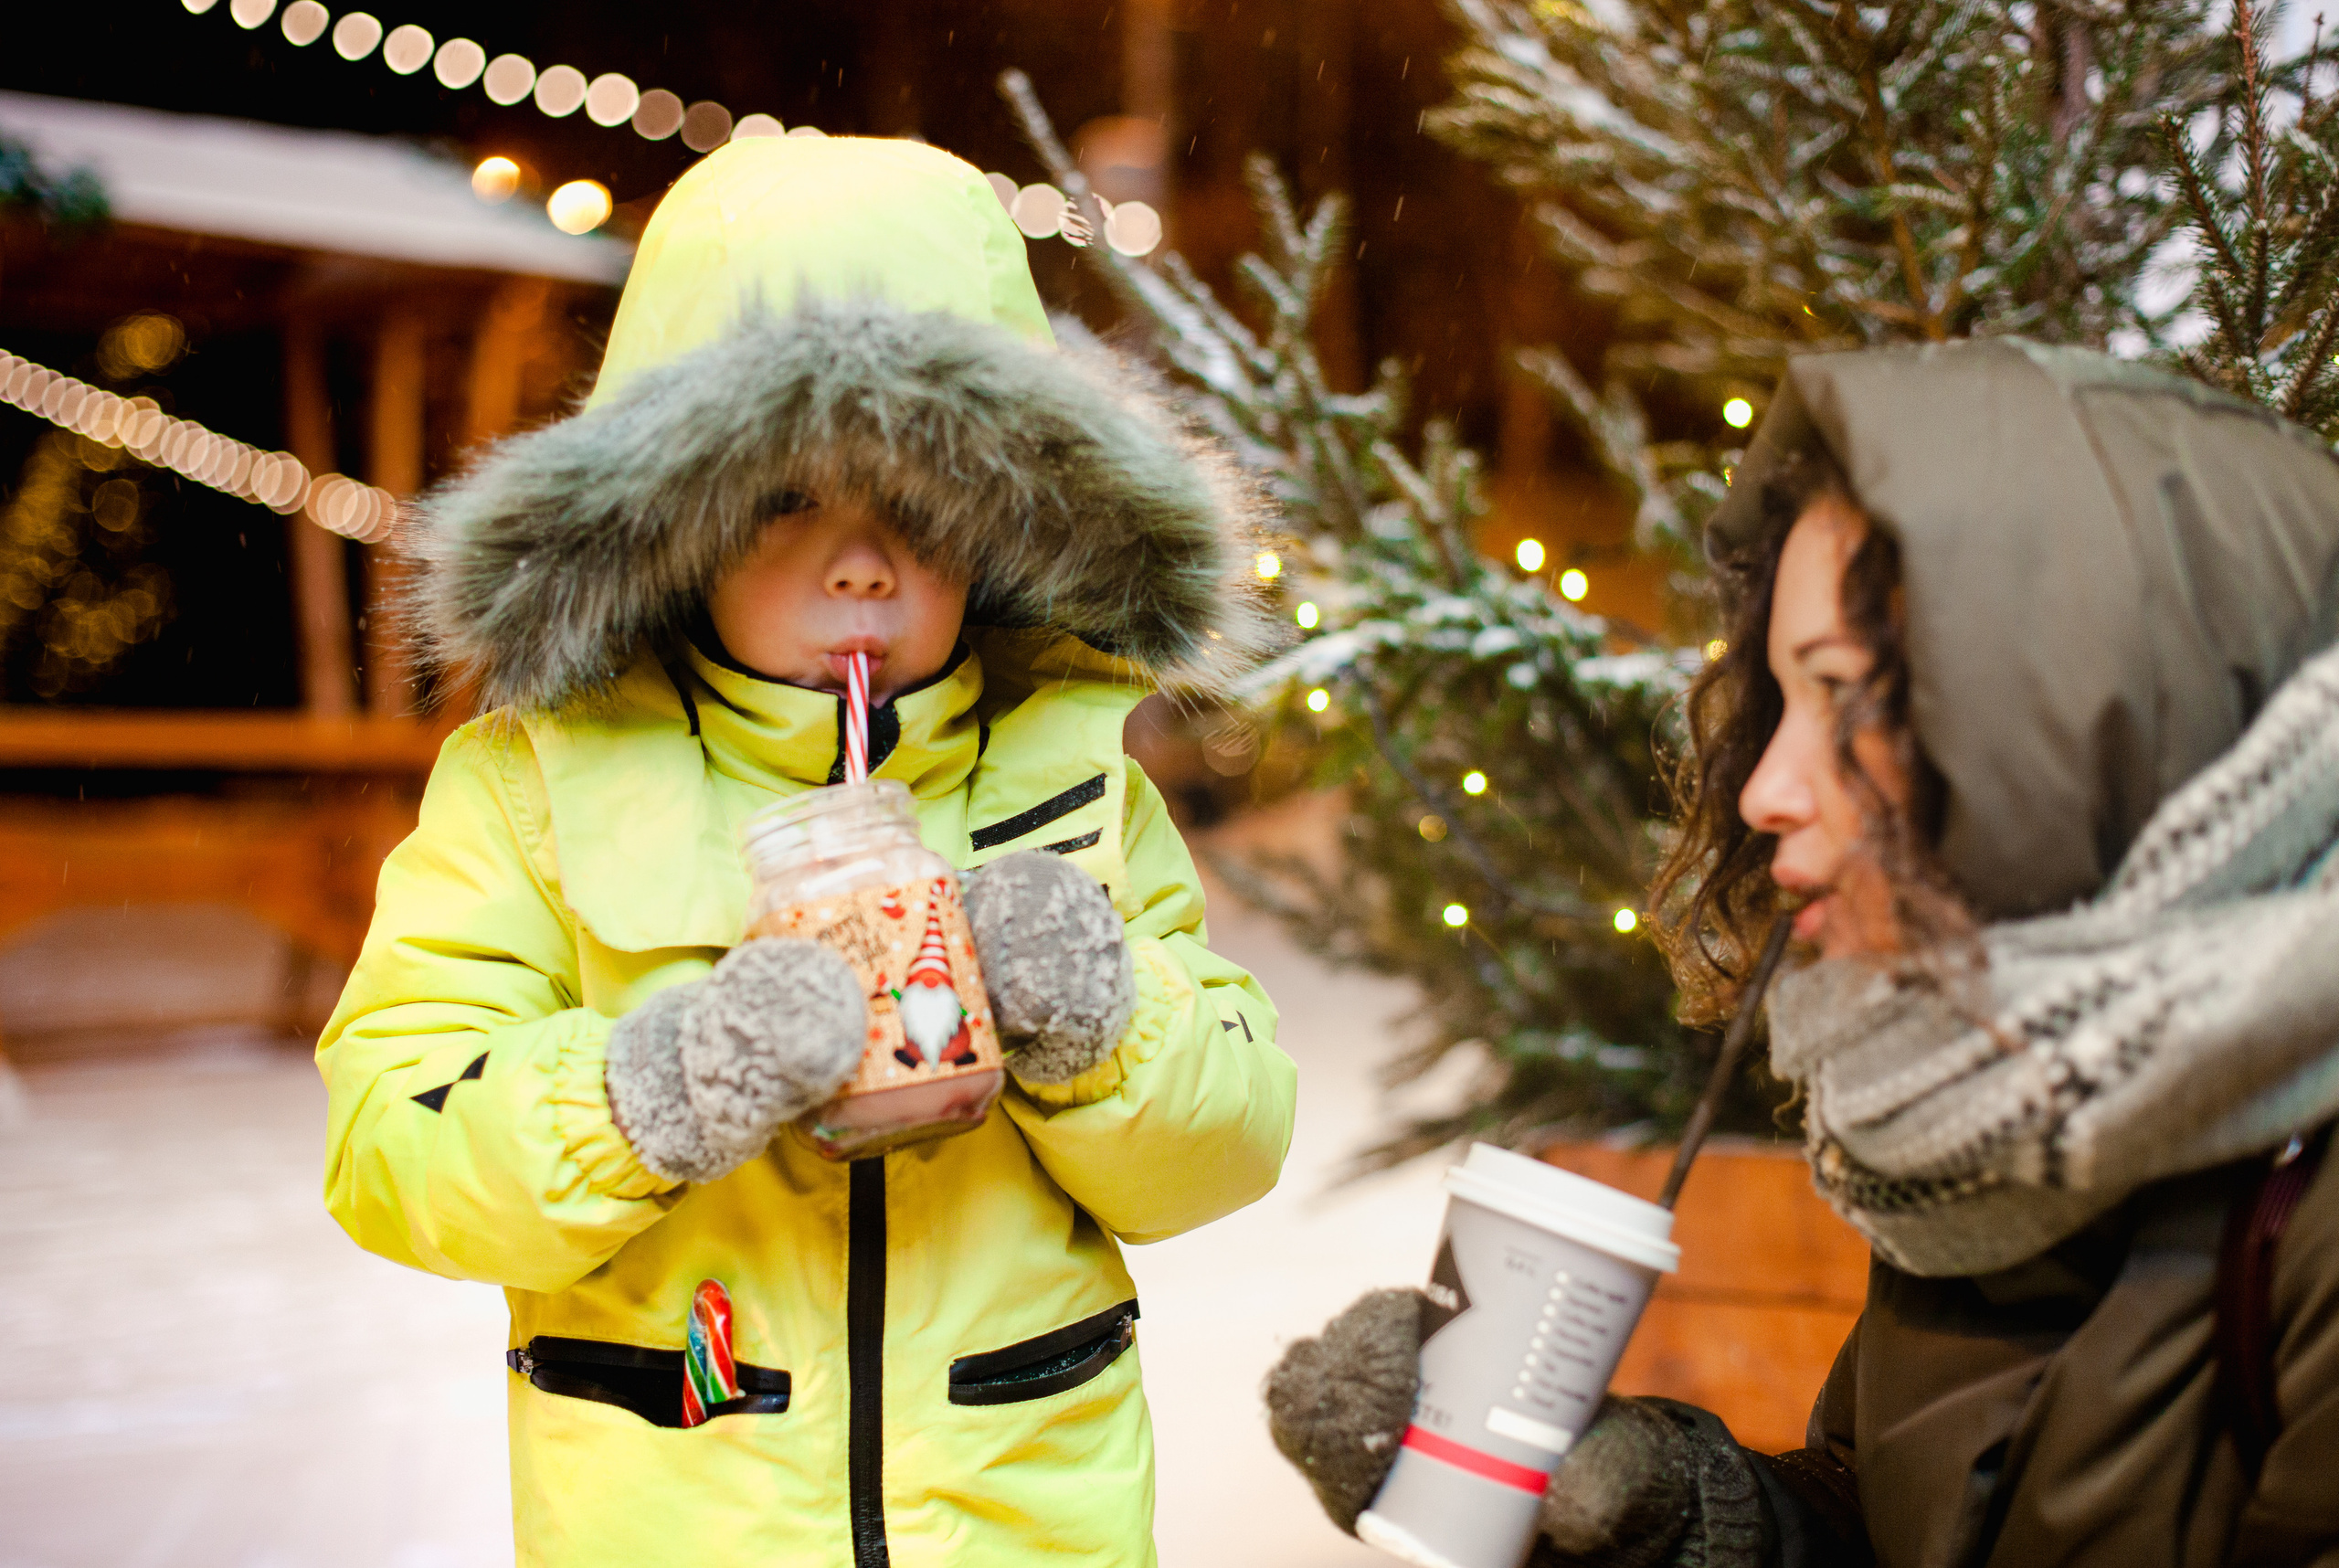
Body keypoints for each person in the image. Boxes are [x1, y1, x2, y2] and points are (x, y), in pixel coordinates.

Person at [317, 135, 1297, 1568]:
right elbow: (390, 1141)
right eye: (786, 503)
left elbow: (1232, 1138)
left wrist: (1103, 1020)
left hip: (1025, 1521)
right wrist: (649, 1090)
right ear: (679, 522)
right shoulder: (536, 786)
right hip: (676, 1509)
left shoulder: (1072, 783)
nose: (862, 565)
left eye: (919, 507)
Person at [1262, 338, 2339, 1566]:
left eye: (1855, 700)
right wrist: (1670, 1519)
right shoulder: (1978, 1119)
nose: (1767, 787)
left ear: (2103, 727)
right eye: (1780, 700)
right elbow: (1889, 1524)